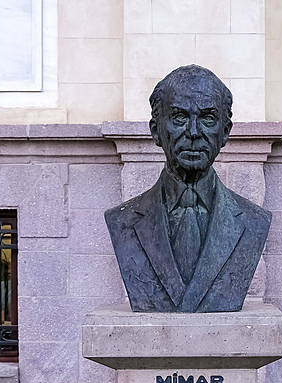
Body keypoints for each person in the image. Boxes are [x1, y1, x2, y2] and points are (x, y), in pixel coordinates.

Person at [104, 65, 272, 312]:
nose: (193, 132)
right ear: (155, 131)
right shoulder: (123, 221)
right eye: (180, 118)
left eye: (208, 118)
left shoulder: (253, 221)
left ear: (225, 132)